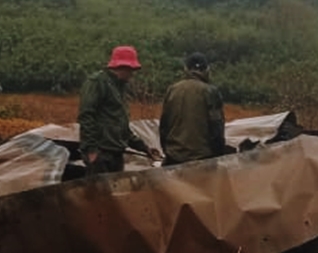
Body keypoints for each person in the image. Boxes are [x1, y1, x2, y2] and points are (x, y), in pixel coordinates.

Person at [78, 45, 157, 174]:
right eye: (131, 70)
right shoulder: (97, 82)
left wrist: (143, 147)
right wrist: (91, 150)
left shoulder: (120, 88)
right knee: (99, 192)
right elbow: (86, 116)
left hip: (115, 152)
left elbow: (121, 127)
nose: (132, 74)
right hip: (100, 152)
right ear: (122, 67)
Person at [159, 52, 230, 166]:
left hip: (174, 157)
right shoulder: (210, 91)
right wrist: (218, 156)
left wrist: (167, 151)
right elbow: (216, 128)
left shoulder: (172, 90)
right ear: (207, 69)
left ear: (186, 69)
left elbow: (164, 126)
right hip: (202, 159)